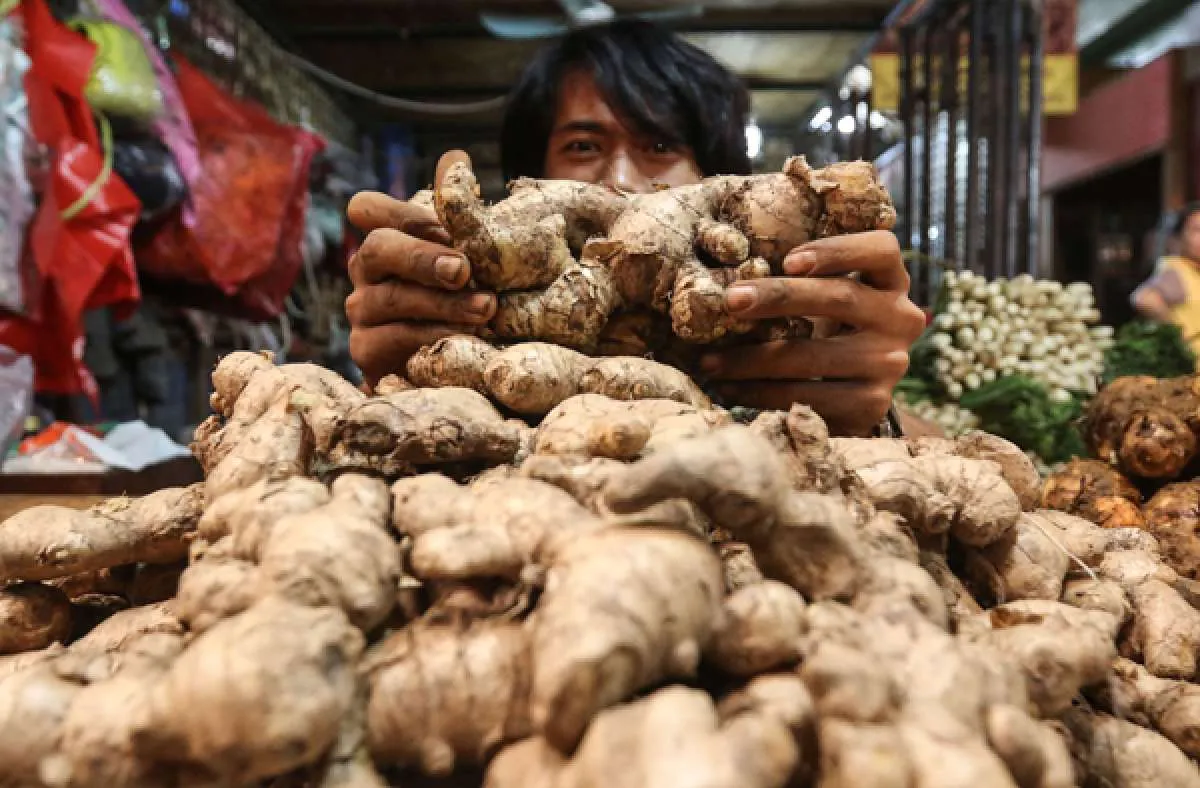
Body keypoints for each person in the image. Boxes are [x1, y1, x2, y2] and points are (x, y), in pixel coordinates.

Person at [344, 20, 925, 436]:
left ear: (723, 180)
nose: (620, 177)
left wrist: (873, 409)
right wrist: (396, 370)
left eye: (659, 144)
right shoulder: (481, 297)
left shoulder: (778, 319)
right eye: (582, 144)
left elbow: (926, 446)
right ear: (525, 183)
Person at [1132, 203, 1200, 362]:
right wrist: (1178, 338)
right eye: (1197, 231)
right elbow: (1144, 299)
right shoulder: (1177, 271)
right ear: (1181, 238)